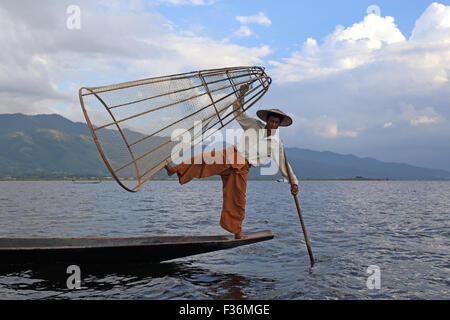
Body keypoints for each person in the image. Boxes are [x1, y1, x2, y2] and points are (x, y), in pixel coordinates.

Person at [165, 84, 299, 239]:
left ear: (279, 124)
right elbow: (238, 112)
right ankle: (175, 169)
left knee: (238, 199)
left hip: (243, 168)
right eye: (271, 121)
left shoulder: (276, 144)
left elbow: (284, 165)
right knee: (203, 161)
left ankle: (237, 232)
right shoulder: (254, 125)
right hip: (232, 154)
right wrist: (241, 94)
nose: (273, 124)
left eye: (276, 122)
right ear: (267, 120)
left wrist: (293, 182)